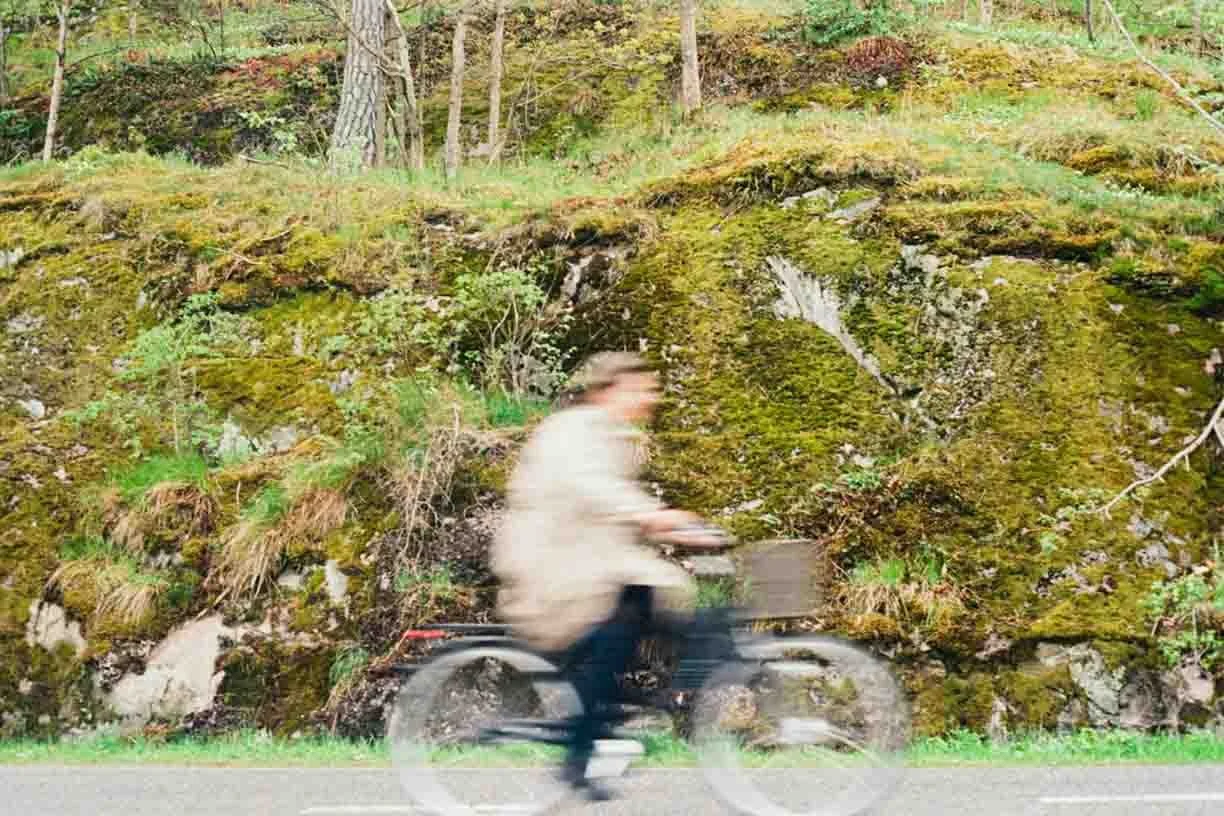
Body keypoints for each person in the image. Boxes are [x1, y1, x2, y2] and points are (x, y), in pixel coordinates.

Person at [490, 351, 724, 800]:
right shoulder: (572, 431)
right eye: (642, 389)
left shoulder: (611, 436)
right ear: (610, 389)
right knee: (620, 628)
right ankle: (581, 749)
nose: (651, 398)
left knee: (650, 605)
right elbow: (591, 488)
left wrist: (674, 526)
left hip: (587, 562)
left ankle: (609, 716)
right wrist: (656, 516)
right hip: (551, 566)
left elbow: (611, 505)